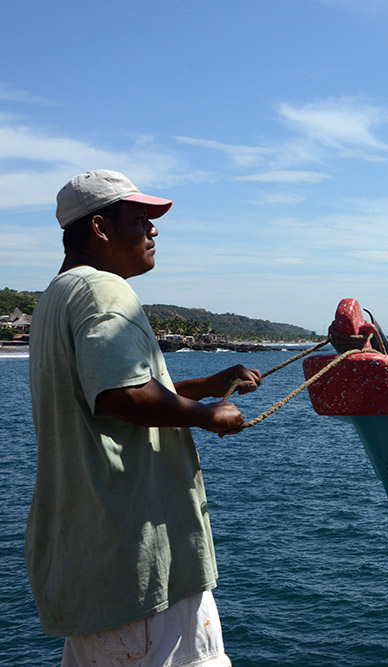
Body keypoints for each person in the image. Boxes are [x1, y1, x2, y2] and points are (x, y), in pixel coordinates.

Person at [26, 170, 262, 666]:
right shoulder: (103, 291)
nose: (154, 230)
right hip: (143, 569)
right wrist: (205, 415)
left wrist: (207, 384)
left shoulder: (56, 296)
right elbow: (122, 396)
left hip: (93, 571)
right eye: (140, 219)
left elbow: (108, 391)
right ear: (99, 228)